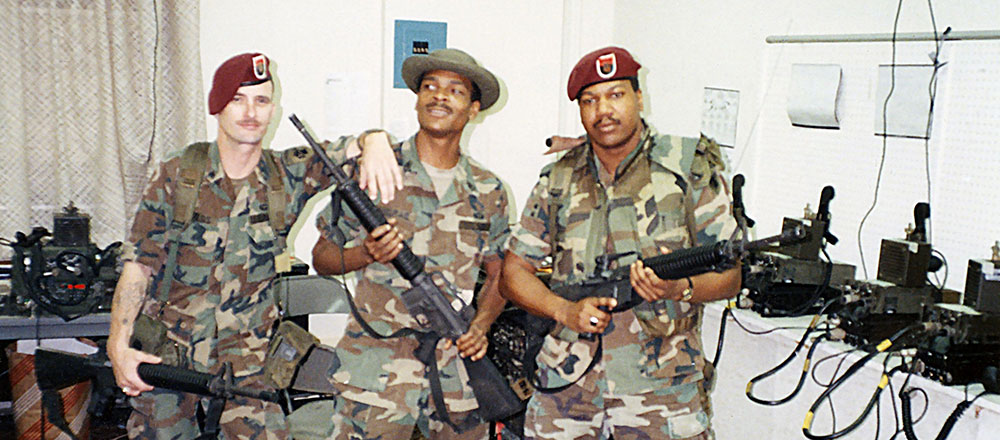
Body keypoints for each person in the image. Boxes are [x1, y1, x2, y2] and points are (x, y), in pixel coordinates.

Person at [106, 52, 397, 439]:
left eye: (261, 100)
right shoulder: (178, 173)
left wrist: (375, 139)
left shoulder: (288, 175)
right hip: (171, 360)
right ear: (218, 106)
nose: (250, 112)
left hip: (249, 367)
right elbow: (137, 266)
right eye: (238, 99)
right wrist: (117, 345)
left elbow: (349, 151)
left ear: (272, 109)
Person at [500, 46, 740, 440]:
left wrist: (680, 288)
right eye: (590, 100)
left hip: (662, 388)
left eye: (616, 95)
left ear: (639, 98)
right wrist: (563, 310)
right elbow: (513, 273)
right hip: (567, 385)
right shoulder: (558, 180)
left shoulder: (687, 170)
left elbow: (731, 276)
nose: (603, 110)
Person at [303, 48, 511, 439]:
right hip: (376, 368)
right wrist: (364, 254)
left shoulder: (488, 190)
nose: (439, 96)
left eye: (455, 90)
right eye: (429, 87)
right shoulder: (374, 171)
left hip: (457, 369)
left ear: (473, 109)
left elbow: (502, 273)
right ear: (417, 100)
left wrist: (480, 326)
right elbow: (322, 257)